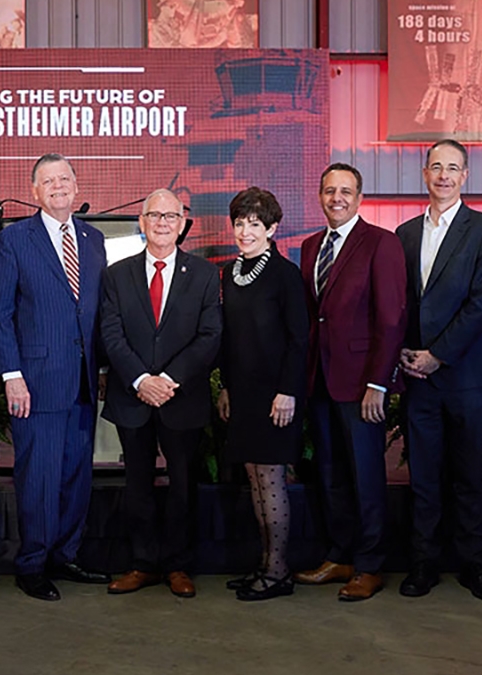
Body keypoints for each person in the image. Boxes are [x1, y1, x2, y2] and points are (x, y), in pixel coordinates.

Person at [0, 153, 110, 601]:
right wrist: (12, 375)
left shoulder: (93, 239)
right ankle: (33, 564)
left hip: (82, 379)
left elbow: (99, 313)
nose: (58, 187)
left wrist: (100, 368)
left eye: (65, 179)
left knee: (77, 473)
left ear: (76, 187)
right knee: (38, 474)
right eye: (47, 181)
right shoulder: (15, 239)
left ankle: (66, 554)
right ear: (35, 191)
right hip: (35, 381)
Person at [396, 140, 482, 603]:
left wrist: (437, 354)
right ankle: (423, 563)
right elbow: (399, 302)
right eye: (436, 167)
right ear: (425, 174)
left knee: (468, 475)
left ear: (465, 176)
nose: (443, 175)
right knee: (423, 475)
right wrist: (404, 350)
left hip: (469, 376)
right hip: (419, 378)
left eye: (453, 168)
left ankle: (475, 566)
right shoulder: (403, 234)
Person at [99, 189, 221, 599]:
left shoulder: (203, 274)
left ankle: (178, 565)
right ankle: (142, 564)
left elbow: (210, 336)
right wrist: (140, 380)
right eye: (155, 215)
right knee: (137, 486)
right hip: (132, 397)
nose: (163, 223)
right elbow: (110, 334)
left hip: (180, 398)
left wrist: (168, 379)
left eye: (171, 216)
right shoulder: (116, 273)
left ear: (184, 223)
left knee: (183, 486)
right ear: (142, 221)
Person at [294, 163, 407, 602]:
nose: (336, 198)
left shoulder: (382, 243)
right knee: (329, 473)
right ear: (319, 196)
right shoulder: (309, 247)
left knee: (365, 476)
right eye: (328, 190)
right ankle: (339, 554)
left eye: (345, 191)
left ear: (359, 198)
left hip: (362, 384)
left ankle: (370, 564)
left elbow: (392, 318)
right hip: (319, 380)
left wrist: (378, 382)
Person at [215, 187, 309, 601]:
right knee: (255, 478)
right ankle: (265, 563)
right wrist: (228, 388)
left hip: (276, 396)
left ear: (272, 228)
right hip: (245, 393)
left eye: (255, 223)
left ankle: (277, 571)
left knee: (271, 479)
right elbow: (232, 340)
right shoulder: (230, 273)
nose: (245, 231)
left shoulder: (285, 274)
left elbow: (298, 339)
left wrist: (287, 391)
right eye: (240, 222)